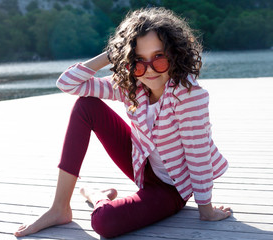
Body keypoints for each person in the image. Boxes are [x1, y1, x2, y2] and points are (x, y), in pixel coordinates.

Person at [14, 7, 231, 238]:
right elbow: (68, 84)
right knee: (85, 105)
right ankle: (59, 207)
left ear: (175, 54)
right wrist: (112, 54)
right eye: (138, 60)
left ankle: (96, 195)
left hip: (171, 188)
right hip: (141, 163)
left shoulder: (188, 95)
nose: (149, 70)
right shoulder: (132, 85)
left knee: (104, 222)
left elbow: (198, 154)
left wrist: (205, 209)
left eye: (159, 58)